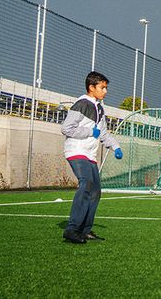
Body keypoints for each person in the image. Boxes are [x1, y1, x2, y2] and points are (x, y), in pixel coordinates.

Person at [60, 71, 122, 244]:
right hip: (76, 151)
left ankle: (85, 230)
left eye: (106, 88)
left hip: (90, 154)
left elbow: (102, 133)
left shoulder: (99, 108)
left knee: (95, 191)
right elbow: (67, 128)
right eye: (103, 87)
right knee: (86, 184)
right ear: (91, 87)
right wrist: (89, 131)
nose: (105, 91)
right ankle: (72, 229)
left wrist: (115, 146)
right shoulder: (81, 104)